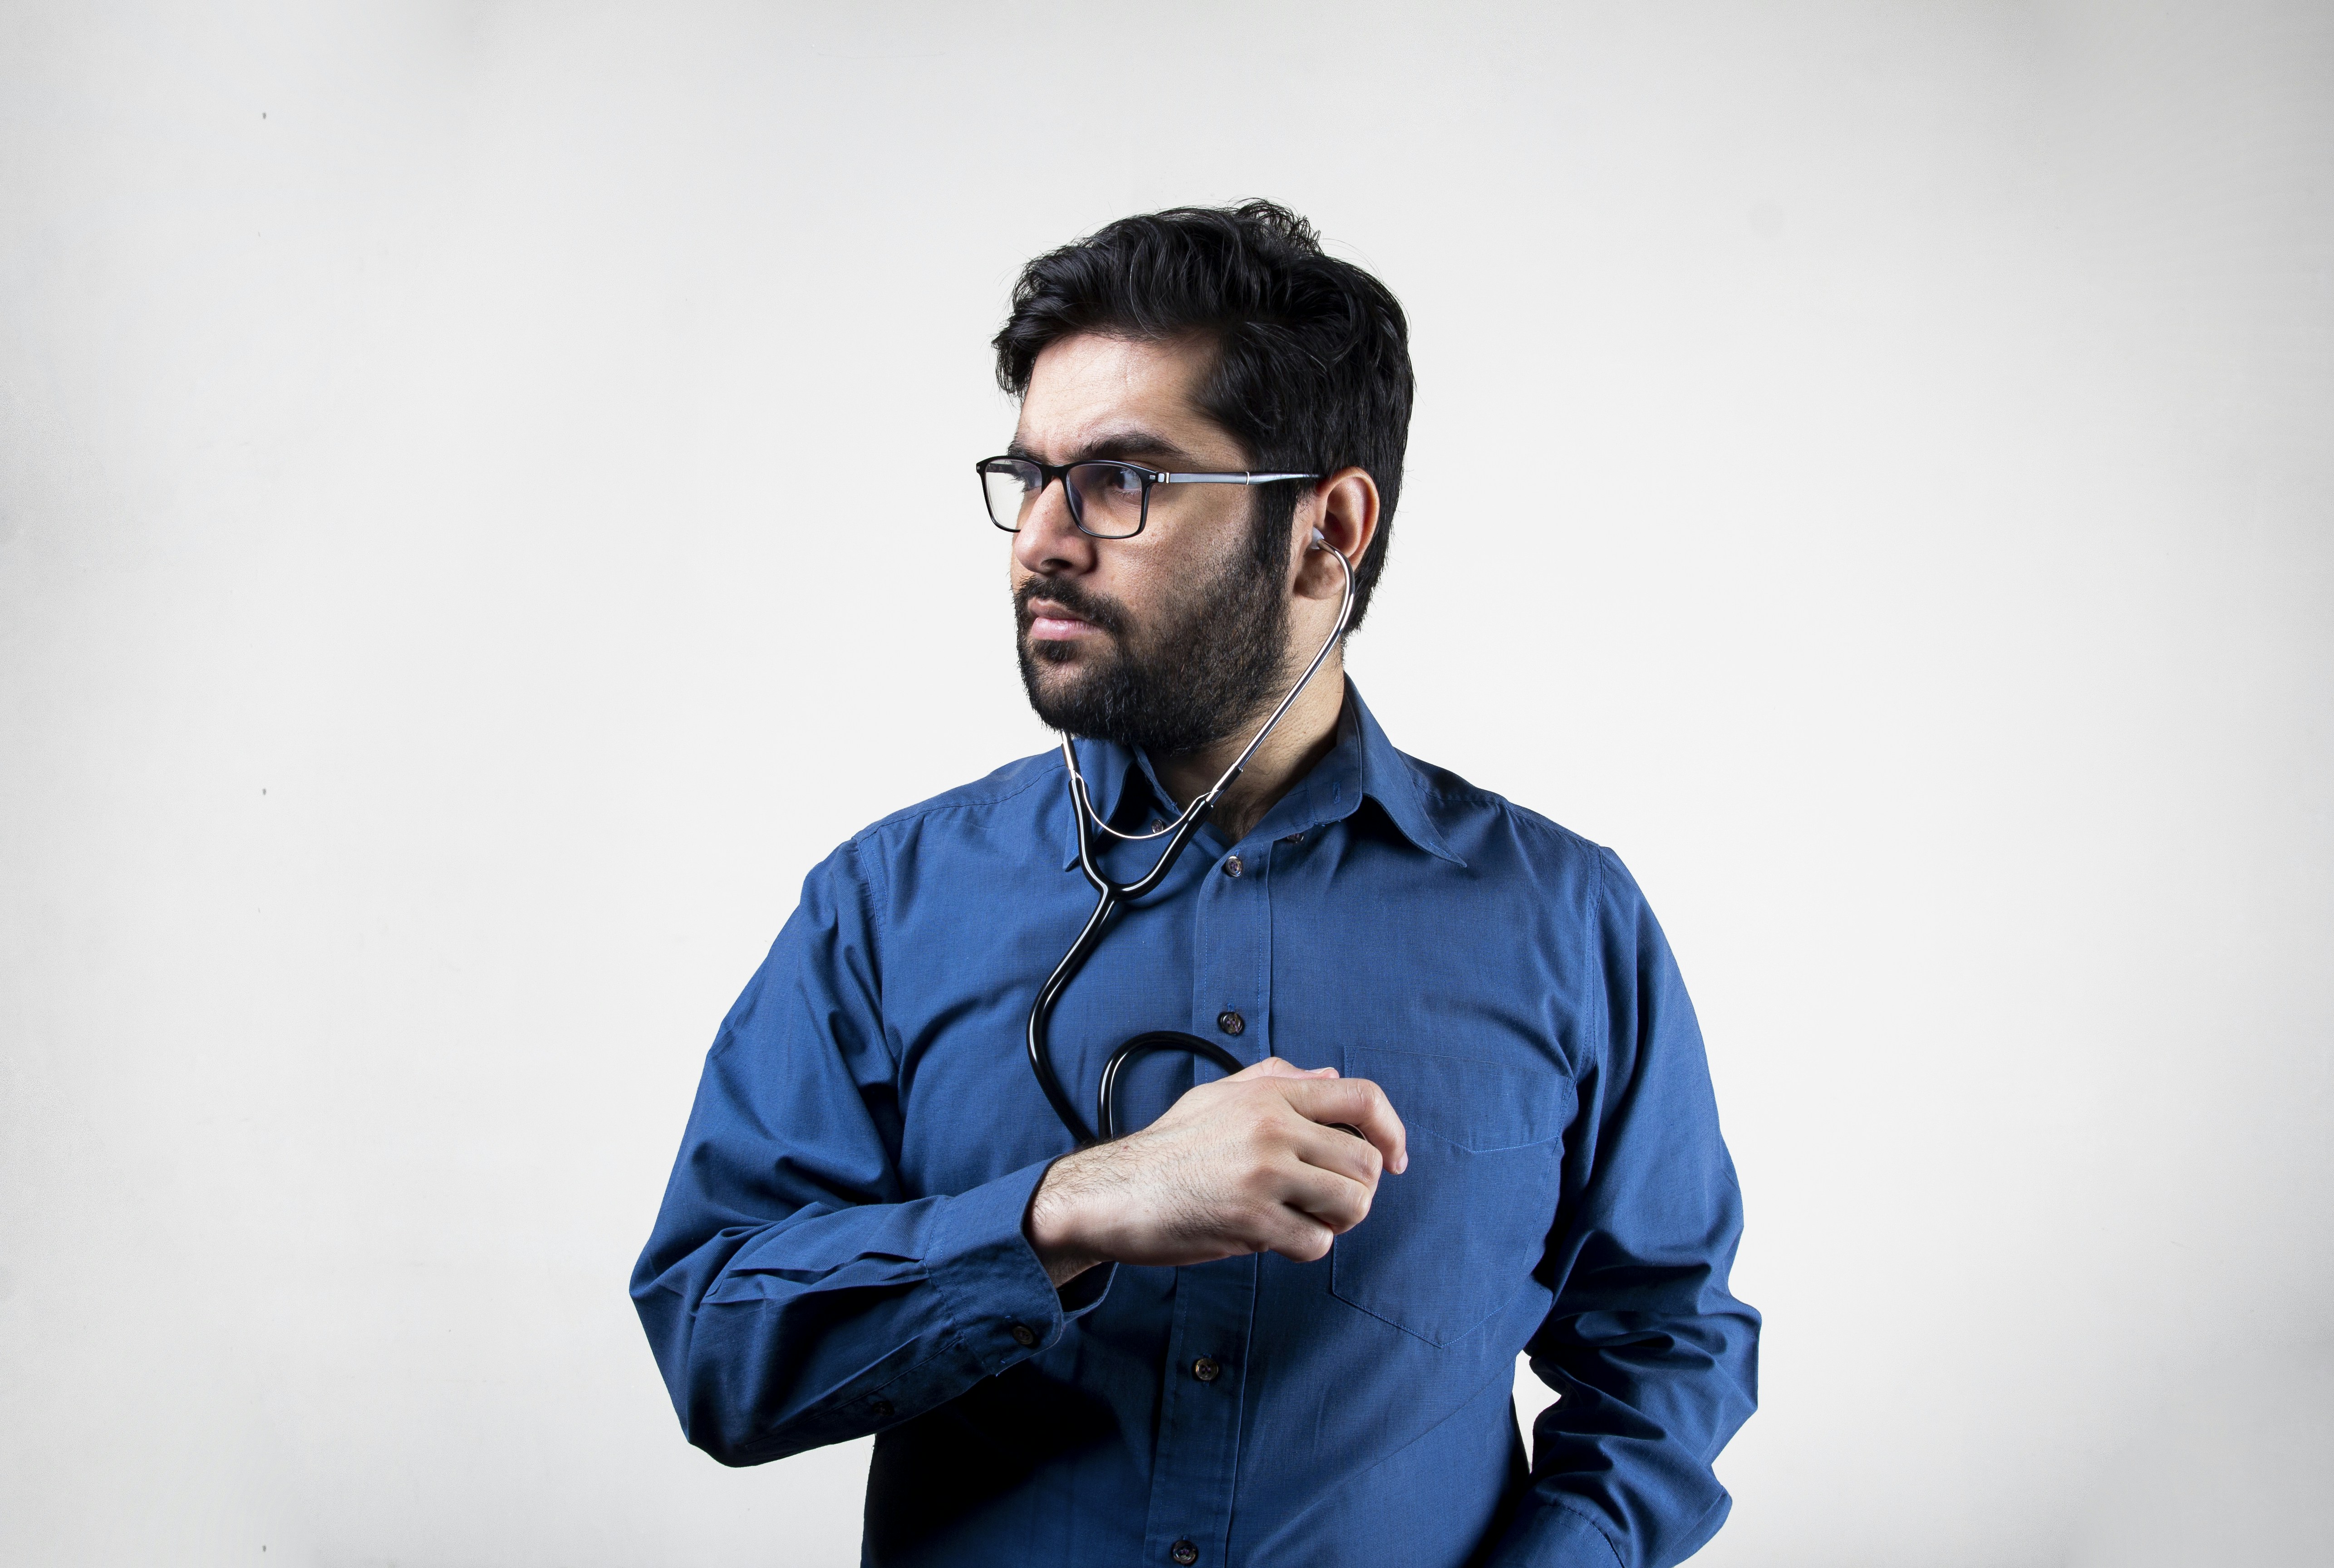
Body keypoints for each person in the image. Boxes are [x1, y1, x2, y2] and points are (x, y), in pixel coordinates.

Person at [630, 201, 1759, 1568]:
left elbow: (1665, 1355)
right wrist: (1070, 1211)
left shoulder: (1565, 923)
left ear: (1325, 528)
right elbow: (716, 1341)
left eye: (1121, 480)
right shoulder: (887, 905)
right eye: (1030, 475)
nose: (1042, 538)